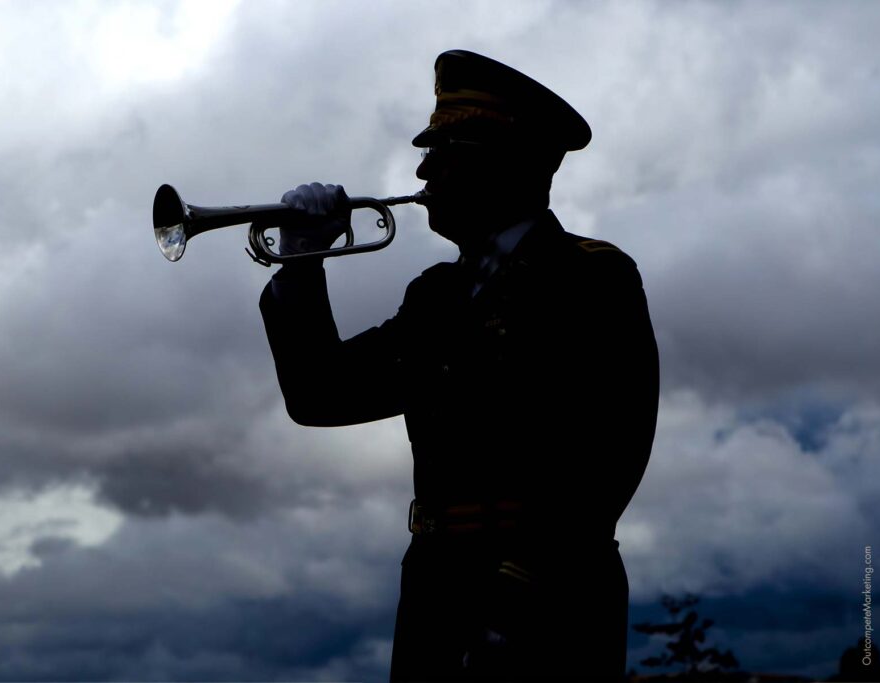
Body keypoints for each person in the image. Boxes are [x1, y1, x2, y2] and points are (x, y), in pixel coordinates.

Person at [257, 49, 659, 682]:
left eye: (444, 153)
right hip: (436, 582)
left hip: (550, 591)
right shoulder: (436, 295)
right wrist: (301, 263)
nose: (423, 170)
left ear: (503, 162)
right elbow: (321, 396)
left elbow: (611, 449)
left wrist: (519, 589)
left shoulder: (590, 275)